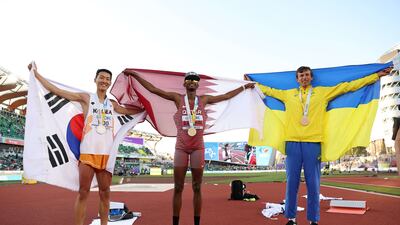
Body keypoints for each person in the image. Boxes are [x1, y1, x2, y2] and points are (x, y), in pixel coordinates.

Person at [258, 66, 392, 225]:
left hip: (313, 143)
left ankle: (313, 220)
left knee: (313, 184)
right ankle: (291, 219)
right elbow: (269, 90)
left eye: (307, 75)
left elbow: (347, 86)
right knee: (291, 183)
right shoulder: (287, 94)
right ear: (297, 79)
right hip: (292, 142)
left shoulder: (323, 92)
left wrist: (375, 76)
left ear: (311, 77)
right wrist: (250, 83)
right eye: (301, 75)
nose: (304, 77)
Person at [126, 70, 254, 225]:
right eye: (189, 79)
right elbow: (154, 90)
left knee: (197, 187)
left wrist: (244, 87)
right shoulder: (177, 99)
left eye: (195, 80)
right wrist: (136, 76)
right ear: (184, 83)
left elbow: (226, 96)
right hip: (181, 147)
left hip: (198, 148)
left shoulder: (204, 99)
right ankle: (175, 222)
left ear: (198, 84)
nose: (192, 81)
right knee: (178, 187)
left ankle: (196, 223)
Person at [28, 63, 144, 225]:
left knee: (105, 193)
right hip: (88, 154)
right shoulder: (86, 98)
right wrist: (36, 75)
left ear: (110, 83)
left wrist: (147, 108)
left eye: (107, 79)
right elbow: (59, 92)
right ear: (95, 80)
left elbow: (128, 111)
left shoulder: (112, 104)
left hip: (106, 155)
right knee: (83, 193)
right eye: (101, 77)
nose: (104, 81)